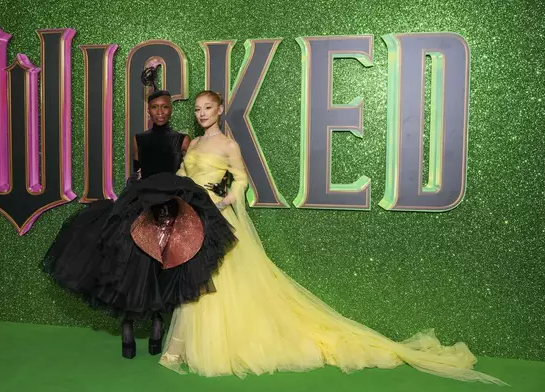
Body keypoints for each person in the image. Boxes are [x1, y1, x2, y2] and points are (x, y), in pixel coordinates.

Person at [158, 90, 505, 385]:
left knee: (218, 281)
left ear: (220, 110)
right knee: (194, 279)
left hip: (216, 218)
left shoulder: (228, 145)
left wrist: (226, 199)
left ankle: (215, 347)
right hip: (193, 218)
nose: (202, 114)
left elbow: (242, 180)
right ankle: (185, 346)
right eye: (198, 109)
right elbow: (182, 174)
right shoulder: (196, 144)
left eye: (208, 108)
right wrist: (167, 190)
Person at [41, 73, 236, 360]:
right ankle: (127, 329)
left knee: (163, 266)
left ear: (171, 109)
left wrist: (219, 185)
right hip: (142, 201)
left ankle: (158, 326)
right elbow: (138, 171)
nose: (160, 112)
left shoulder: (184, 141)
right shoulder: (138, 140)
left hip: (171, 206)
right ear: (149, 111)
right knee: (128, 263)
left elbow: (195, 169)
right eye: (155, 107)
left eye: (165, 107)